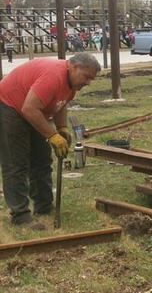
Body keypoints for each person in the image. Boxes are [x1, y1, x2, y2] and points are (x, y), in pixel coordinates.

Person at [0, 53, 101, 229]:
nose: (88, 83)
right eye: (86, 77)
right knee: (16, 163)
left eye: (91, 79)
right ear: (74, 66)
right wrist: (52, 135)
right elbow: (29, 109)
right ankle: (20, 216)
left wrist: (61, 129)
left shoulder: (71, 83)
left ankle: (44, 207)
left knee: (42, 159)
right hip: (9, 106)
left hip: (33, 109)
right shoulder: (54, 76)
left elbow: (60, 103)